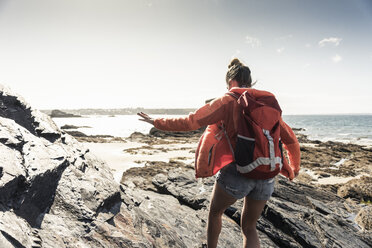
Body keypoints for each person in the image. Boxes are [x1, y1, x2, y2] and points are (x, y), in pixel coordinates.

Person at [138, 58, 300, 248]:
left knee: (215, 212)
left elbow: (191, 122)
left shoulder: (228, 100)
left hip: (237, 174)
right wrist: (294, 168)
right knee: (249, 227)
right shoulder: (267, 104)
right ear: (249, 81)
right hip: (267, 175)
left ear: (231, 82)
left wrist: (157, 122)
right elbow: (290, 140)